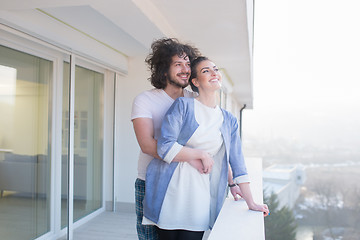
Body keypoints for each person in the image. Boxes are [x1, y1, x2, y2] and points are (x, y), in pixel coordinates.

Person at [143, 57, 269, 240]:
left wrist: (251, 202)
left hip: (199, 195)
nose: (213, 73)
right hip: (170, 191)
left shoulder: (229, 120)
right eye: (206, 71)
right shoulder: (183, 106)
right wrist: (199, 154)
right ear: (195, 82)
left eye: (215, 69)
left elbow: (237, 161)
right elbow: (164, 146)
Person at [131, 38, 202, 240]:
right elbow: (147, 144)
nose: (185, 69)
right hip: (151, 181)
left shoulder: (194, 100)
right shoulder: (145, 100)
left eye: (188, 64)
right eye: (178, 64)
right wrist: (193, 157)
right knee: (150, 237)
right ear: (163, 69)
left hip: (186, 181)